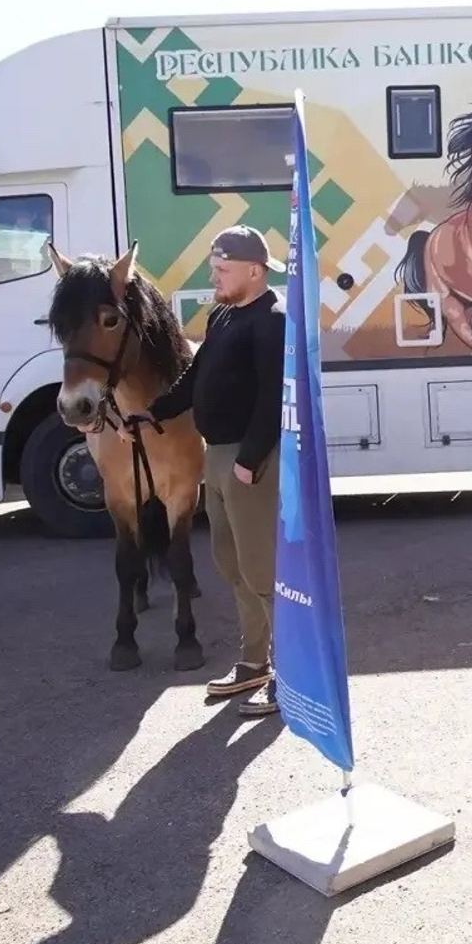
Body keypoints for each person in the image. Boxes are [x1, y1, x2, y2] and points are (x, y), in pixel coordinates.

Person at [125, 224, 288, 719]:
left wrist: (249, 459)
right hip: (216, 456)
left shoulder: (272, 320)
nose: (212, 276)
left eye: (222, 269)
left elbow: (272, 396)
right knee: (231, 564)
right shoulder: (222, 316)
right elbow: (194, 379)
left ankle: (286, 677)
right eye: (213, 267)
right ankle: (254, 661)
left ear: (254, 271)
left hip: (248, 462)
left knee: (262, 570)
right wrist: (154, 412)